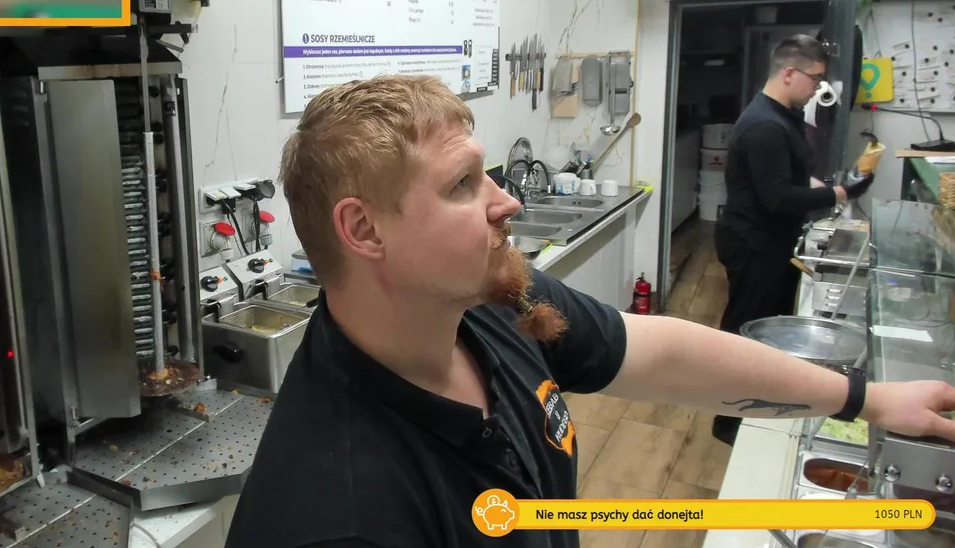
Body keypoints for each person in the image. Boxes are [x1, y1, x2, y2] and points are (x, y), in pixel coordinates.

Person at [222, 74, 949, 548]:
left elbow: (661, 352)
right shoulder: (340, 515)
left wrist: (868, 398)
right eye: (463, 184)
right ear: (365, 230)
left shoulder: (491, 307)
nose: (508, 202)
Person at [712, 35, 874, 446]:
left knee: (767, 330)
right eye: (815, 78)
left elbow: (787, 176)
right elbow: (778, 197)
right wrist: (838, 194)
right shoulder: (764, 125)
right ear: (788, 73)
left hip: (770, 241)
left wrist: (822, 186)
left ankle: (754, 407)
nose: (818, 88)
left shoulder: (781, 115)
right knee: (746, 333)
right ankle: (727, 421)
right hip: (754, 245)